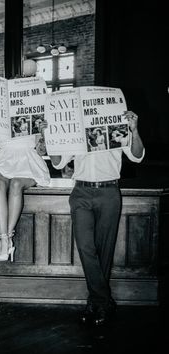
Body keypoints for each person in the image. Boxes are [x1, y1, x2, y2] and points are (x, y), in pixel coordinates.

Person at [49, 110, 145, 327]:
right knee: (85, 247)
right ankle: (103, 301)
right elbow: (57, 163)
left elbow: (137, 156)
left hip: (109, 192)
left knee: (105, 248)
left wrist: (134, 131)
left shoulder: (117, 127)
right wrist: (51, 137)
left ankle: (95, 302)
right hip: (81, 192)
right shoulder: (74, 129)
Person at [0, 117, 50, 262]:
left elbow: (41, 151)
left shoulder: (35, 114)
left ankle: (6, 239)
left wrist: (44, 134)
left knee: (15, 184)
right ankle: (5, 240)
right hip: (2, 160)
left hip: (28, 161)